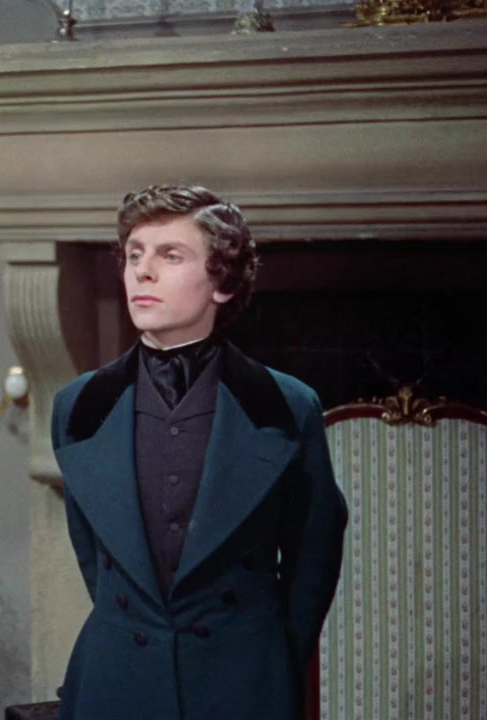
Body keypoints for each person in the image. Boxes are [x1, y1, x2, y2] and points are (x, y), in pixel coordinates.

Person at [50, 185, 348, 720]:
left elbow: (315, 554)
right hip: (114, 679)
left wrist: (275, 663)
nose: (142, 272)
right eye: (134, 254)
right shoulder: (78, 405)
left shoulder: (287, 406)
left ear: (223, 283)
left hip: (243, 680)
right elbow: (92, 555)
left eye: (170, 255)